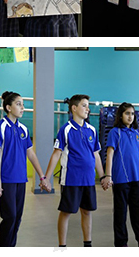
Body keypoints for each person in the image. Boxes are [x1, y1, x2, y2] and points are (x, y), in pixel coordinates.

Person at [44, 94, 107, 247]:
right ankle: (62, 246)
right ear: (74, 108)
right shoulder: (65, 130)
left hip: (88, 180)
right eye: (84, 105)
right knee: (66, 212)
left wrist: (104, 176)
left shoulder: (92, 130)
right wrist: (46, 178)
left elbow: (96, 155)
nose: (88, 109)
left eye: (88, 105)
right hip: (71, 179)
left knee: (87, 211)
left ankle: (87, 245)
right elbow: (56, 154)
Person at [0, 91, 48, 247]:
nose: (22, 108)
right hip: (6, 181)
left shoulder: (24, 129)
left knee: (17, 218)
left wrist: (42, 177)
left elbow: (30, 153)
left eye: (23, 104)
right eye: (18, 104)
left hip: (20, 180)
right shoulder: (0, 126)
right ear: (8, 107)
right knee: (9, 217)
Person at [103, 102, 139, 247]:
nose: (130, 116)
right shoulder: (115, 132)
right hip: (120, 180)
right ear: (120, 115)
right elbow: (110, 154)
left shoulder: (136, 133)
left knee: (138, 213)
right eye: (127, 113)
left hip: (136, 179)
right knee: (120, 214)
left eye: (132, 114)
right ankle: (121, 244)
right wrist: (108, 175)